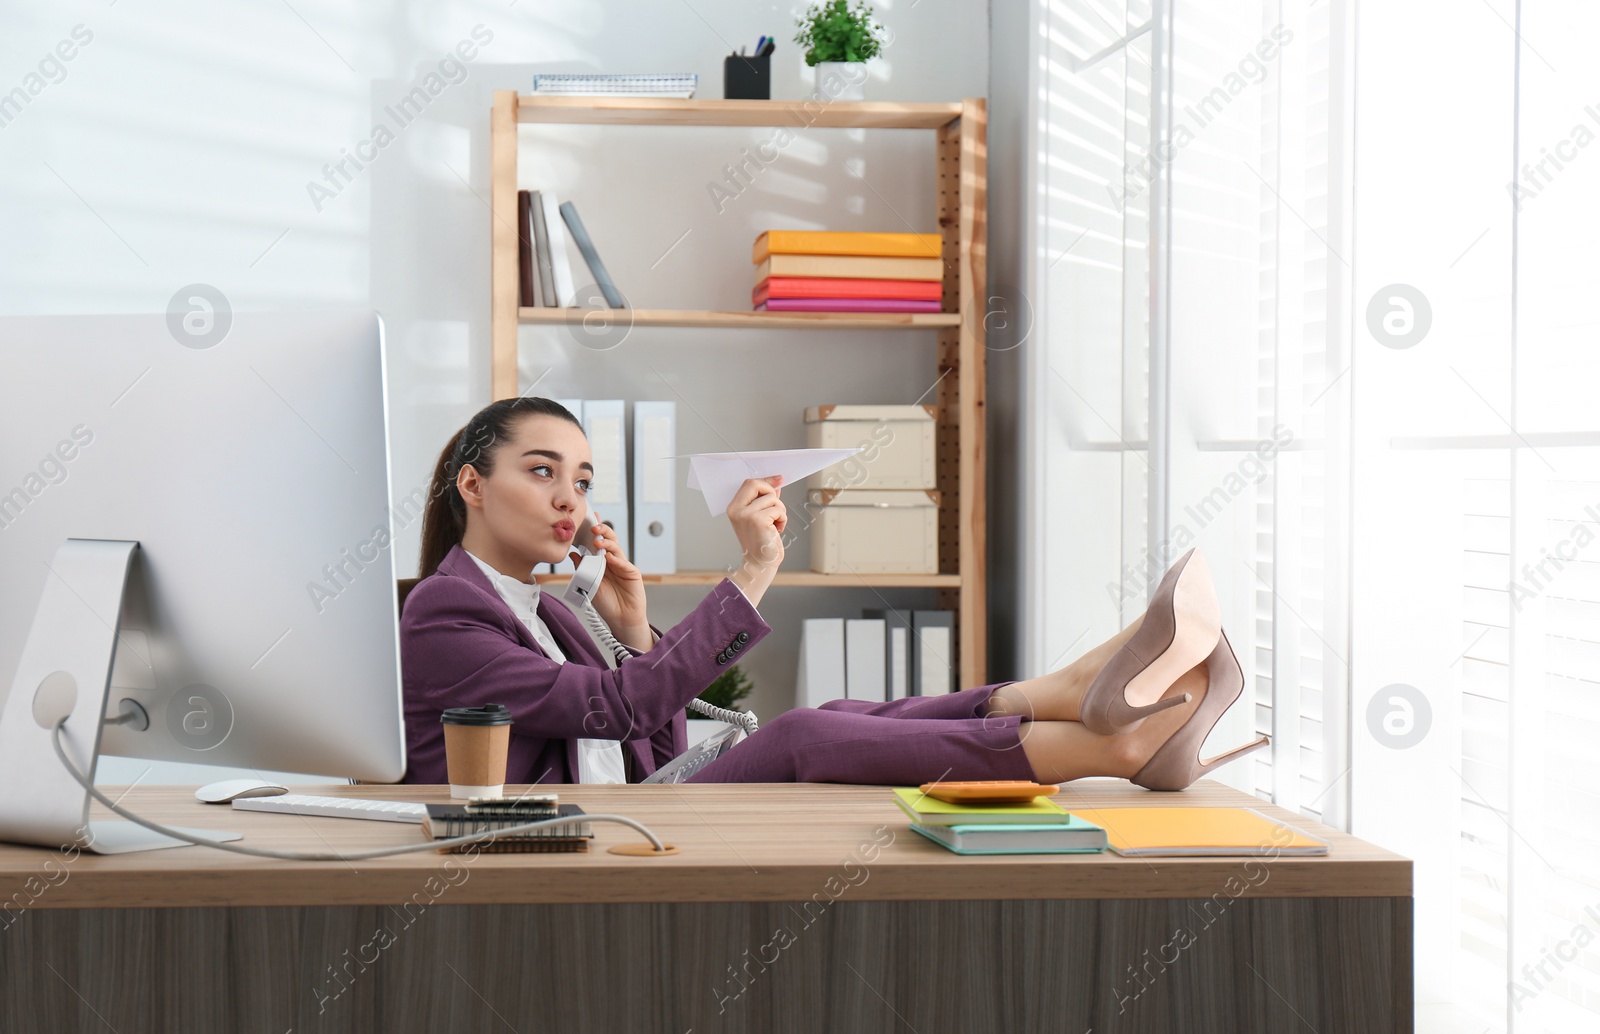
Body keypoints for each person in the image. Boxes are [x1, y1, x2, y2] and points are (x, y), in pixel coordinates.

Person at [398, 397, 1267, 789]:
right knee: (808, 731)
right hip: (567, 838)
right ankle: (1117, 747)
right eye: (542, 472)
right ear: (472, 485)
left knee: (847, 708)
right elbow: (621, 718)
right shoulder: (445, 613)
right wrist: (753, 571)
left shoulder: (549, 610)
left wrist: (629, 630)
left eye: (582, 481)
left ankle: (1077, 694)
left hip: (624, 807)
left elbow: (650, 738)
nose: (568, 500)